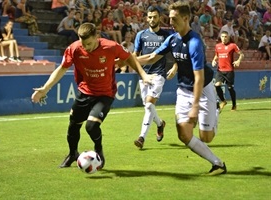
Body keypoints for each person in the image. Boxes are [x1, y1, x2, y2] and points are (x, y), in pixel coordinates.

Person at [31, 22, 154, 169]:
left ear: (97, 36)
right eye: (83, 44)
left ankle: (99, 150)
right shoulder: (75, 49)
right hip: (85, 92)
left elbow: (129, 58)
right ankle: (72, 154)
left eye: (89, 44)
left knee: (91, 126)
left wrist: (143, 75)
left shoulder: (111, 46)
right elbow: (62, 69)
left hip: (105, 94)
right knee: (73, 125)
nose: (86, 48)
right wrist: (45, 88)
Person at [137, 1, 226, 175]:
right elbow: (152, 57)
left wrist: (195, 107)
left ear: (185, 18)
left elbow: (199, 77)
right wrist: (127, 60)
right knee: (184, 134)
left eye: (174, 19)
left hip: (203, 88)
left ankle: (214, 110)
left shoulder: (194, 43)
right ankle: (218, 164)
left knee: (206, 137)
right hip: (184, 89)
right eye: (169, 19)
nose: (170, 23)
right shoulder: (172, 39)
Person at [132, 6, 171, 149]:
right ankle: (160, 124)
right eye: (149, 17)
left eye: (155, 17)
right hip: (144, 75)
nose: (152, 19)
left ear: (160, 17)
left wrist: (174, 67)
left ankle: (141, 138)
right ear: (146, 18)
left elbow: (175, 53)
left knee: (149, 105)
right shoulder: (141, 35)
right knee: (148, 107)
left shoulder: (166, 35)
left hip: (159, 74)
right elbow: (135, 55)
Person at [212, 31, 244, 112]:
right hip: (220, 70)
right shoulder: (217, 46)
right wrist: (213, 60)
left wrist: (238, 61)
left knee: (230, 88)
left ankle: (234, 105)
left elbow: (241, 54)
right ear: (220, 37)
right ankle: (223, 101)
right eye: (222, 36)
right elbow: (216, 55)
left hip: (229, 70)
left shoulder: (232, 45)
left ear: (228, 37)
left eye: (226, 36)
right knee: (216, 85)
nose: (224, 38)